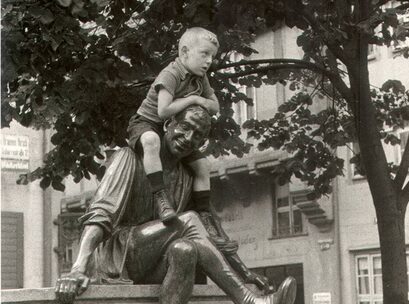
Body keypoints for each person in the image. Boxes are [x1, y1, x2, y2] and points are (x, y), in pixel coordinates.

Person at [55, 106, 294, 304]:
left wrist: (245, 271)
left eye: (197, 135)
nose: (188, 138)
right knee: (188, 220)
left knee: (184, 250)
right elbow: (101, 213)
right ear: (168, 124)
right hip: (122, 255)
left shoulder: (187, 175)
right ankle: (247, 300)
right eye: (185, 127)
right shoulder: (129, 157)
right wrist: (78, 267)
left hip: (155, 260)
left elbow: (209, 231)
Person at [127, 27, 220, 223]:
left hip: (175, 128)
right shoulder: (170, 74)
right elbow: (163, 111)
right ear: (185, 52)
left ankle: (204, 214)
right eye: (204, 54)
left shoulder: (201, 77)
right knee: (151, 141)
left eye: (211, 56)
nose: (209, 61)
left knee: (203, 165)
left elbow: (214, 106)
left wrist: (199, 100)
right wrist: (194, 98)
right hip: (148, 123)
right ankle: (161, 198)